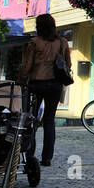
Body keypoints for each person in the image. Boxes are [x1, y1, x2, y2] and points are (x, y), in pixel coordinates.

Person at [18, 13, 71, 167]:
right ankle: (47, 157)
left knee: (31, 119)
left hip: (36, 84)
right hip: (55, 85)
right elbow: (68, 63)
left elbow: (27, 66)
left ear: (38, 27)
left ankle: (30, 154)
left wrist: (20, 80)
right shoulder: (62, 42)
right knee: (49, 120)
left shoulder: (34, 43)